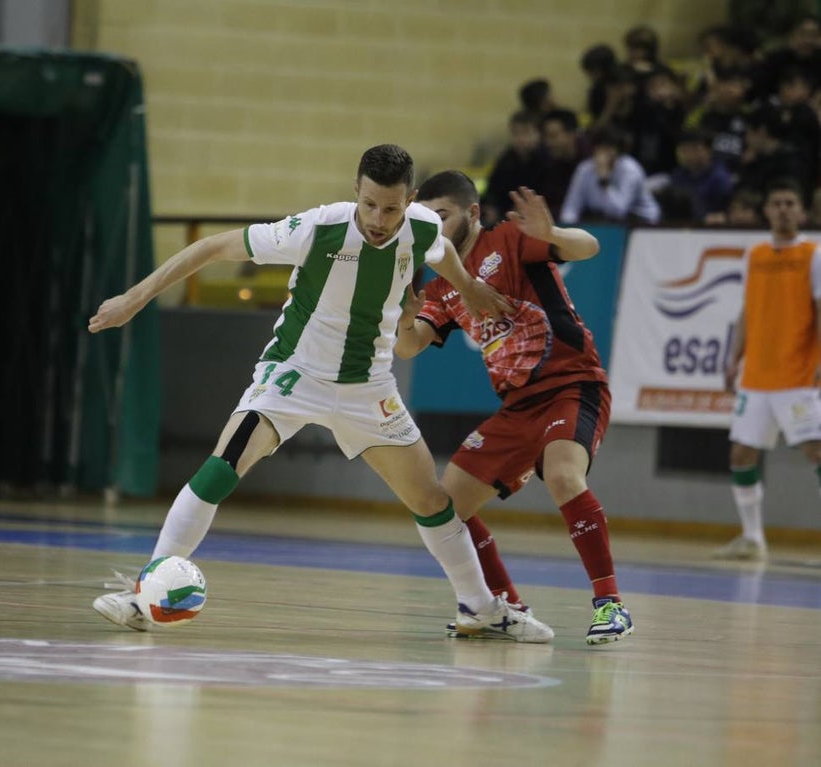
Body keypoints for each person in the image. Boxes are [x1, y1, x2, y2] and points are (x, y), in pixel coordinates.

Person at [87, 144, 553, 642]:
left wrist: (469, 287)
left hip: (368, 385)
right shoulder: (317, 228)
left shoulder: (421, 226)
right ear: (356, 191)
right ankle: (144, 596)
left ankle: (480, 609)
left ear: (410, 200)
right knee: (222, 467)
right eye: (369, 204)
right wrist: (134, 299)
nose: (378, 220)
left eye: (391, 208)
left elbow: (440, 252)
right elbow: (213, 247)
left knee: (432, 500)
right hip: (295, 375)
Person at [395, 170, 633, 645]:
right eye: (426, 218)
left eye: (442, 215)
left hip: (571, 384)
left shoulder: (508, 238)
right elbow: (409, 347)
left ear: (473, 213)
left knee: (563, 475)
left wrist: (553, 234)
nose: (434, 226)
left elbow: (589, 247)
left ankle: (611, 604)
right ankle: (503, 606)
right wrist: (402, 317)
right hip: (517, 408)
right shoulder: (440, 285)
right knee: (448, 506)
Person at [717, 177, 821, 561]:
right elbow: (747, 310)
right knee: (741, 454)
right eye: (776, 203)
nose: (783, 210)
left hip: (799, 374)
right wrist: (734, 358)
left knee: (816, 450)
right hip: (757, 376)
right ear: (766, 211)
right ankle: (752, 538)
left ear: (802, 211)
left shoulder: (814, 254)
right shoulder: (755, 254)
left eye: (790, 203)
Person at [559, 126, 661, 225]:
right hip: (603, 220)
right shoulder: (584, 169)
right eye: (600, 148)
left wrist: (604, 181)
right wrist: (568, 228)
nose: (603, 154)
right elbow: (571, 207)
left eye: (608, 149)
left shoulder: (630, 170)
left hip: (642, 221)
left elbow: (618, 211)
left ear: (618, 151)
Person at [482, 110, 547, 227]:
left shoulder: (548, 161)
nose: (520, 138)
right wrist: (491, 207)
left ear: (538, 134)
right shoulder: (506, 160)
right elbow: (492, 191)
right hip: (505, 217)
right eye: (515, 133)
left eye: (526, 132)